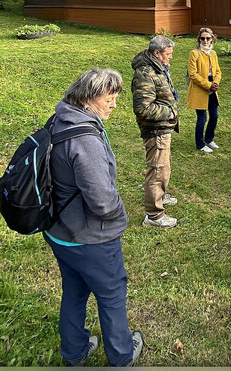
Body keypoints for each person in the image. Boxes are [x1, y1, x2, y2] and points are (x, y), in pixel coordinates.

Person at [45, 68, 144, 366]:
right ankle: (122, 355)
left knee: (74, 290)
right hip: (89, 238)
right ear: (87, 99)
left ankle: (74, 353)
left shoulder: (59, 119)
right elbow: (101, 200)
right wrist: (119, 214)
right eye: (108, 98)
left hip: (59, 232)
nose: (114, 104)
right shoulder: (85, 140)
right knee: (112, 295)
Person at [131, 35, 180, 228]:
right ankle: (154, 215)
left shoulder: (158, 67)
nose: (170, 57)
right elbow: (142, 108)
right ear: (156, 53)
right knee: (157, 169)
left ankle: (161, 195)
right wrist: (170, 112)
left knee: (164, 167)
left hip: (162, 127)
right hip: (156, 130)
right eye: (168, 54)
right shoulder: (145, 73)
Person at [187, 28, 222, 153]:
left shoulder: (213, 53)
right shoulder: (194, 53)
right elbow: (192, 74)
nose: (205, 41)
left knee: (214, 116)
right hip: (200, 88)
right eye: (203, 38)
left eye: (208, 38)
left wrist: (216, 83)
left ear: (212, 39)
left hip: (212, 87)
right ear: (199, 39)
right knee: (202, 118)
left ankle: (209, 139)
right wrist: (208, 85)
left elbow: (218, 71)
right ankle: (200, 144)